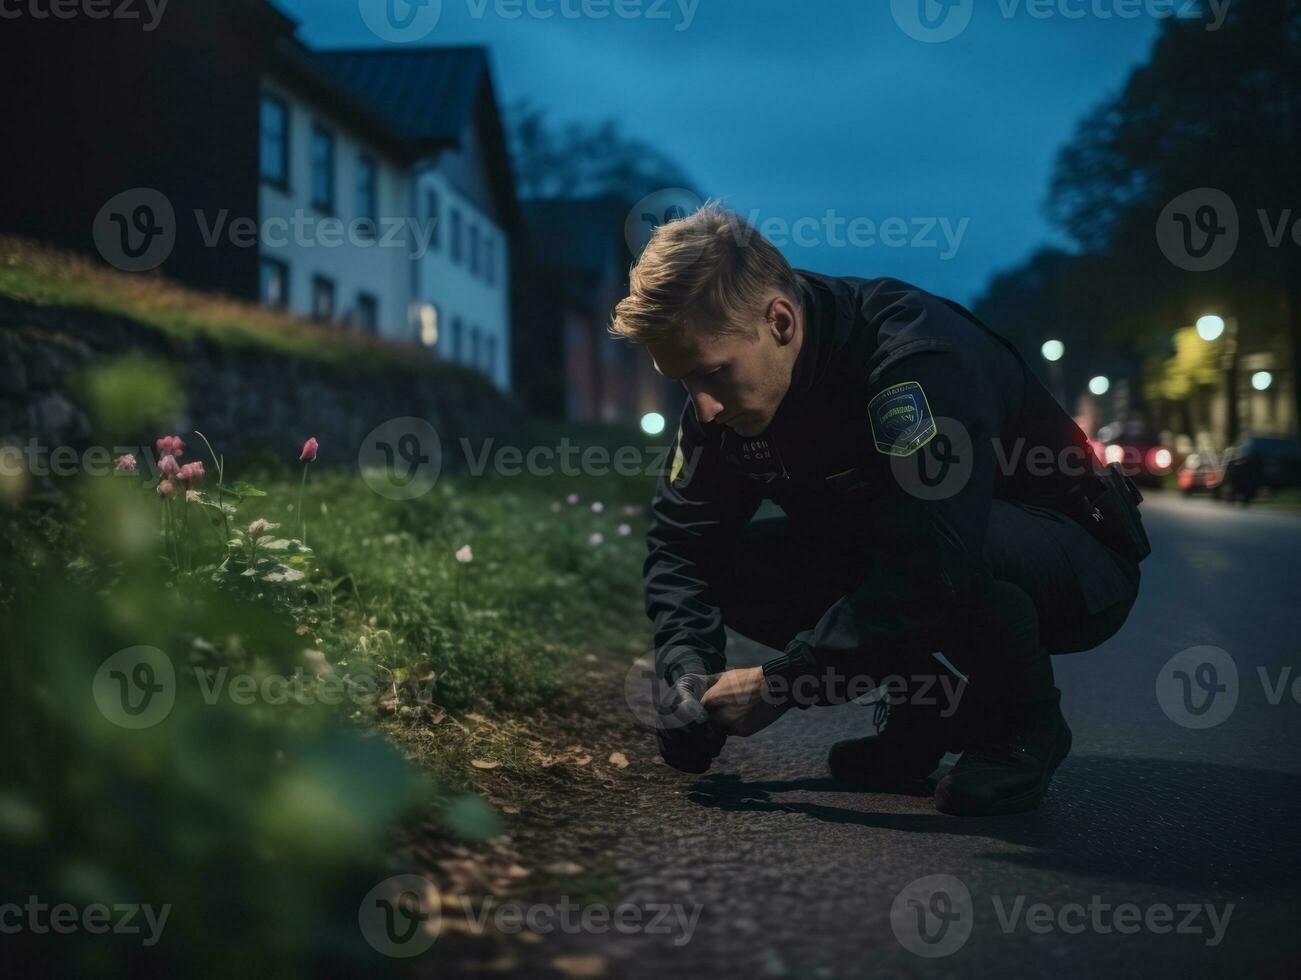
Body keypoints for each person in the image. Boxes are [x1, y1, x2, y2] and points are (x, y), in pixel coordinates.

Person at [611, 202, 1147, 816]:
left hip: (1072, 558)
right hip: (918, 546)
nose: (701, 408)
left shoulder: (915, 363)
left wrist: (787, 681)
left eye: (711, 374)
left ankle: (1023, 727)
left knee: (948, 551)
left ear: (780, 322)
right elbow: (683, 546)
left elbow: (933, 559)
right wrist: (688, 680)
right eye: (683, 382)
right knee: (740, 565)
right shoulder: (723, 399)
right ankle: (930, 715)